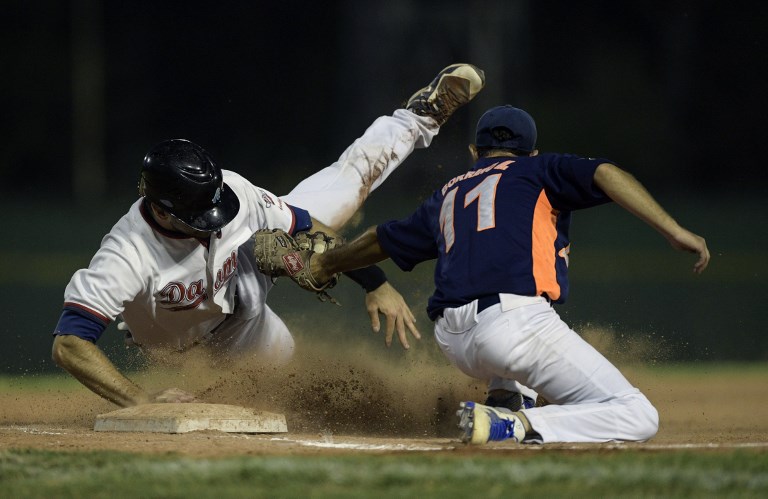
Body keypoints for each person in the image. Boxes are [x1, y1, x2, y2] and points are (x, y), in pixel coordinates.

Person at [51, 63, 486, 408]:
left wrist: (376, 282)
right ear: (162, 210)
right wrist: (142, 400)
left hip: (247, 279)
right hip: (205, 343)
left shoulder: (235, 193)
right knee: (294, 392)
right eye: (200, 213)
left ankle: (419, 117)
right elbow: (69, 344)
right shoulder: (127, 254)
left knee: (345, 187)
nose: (215, 217)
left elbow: (309, 226)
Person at [301, 104, 710, 444]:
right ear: (532, 152)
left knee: (526, 345)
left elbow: (380, 239)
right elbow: (605, 172)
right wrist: (673, 230)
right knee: (637, 415)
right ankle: (514, 425)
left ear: (474, 152)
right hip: (514, 326)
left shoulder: (448, 193)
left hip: (454, 339)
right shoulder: (538, 171)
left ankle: (504, 400)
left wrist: (324, 264)